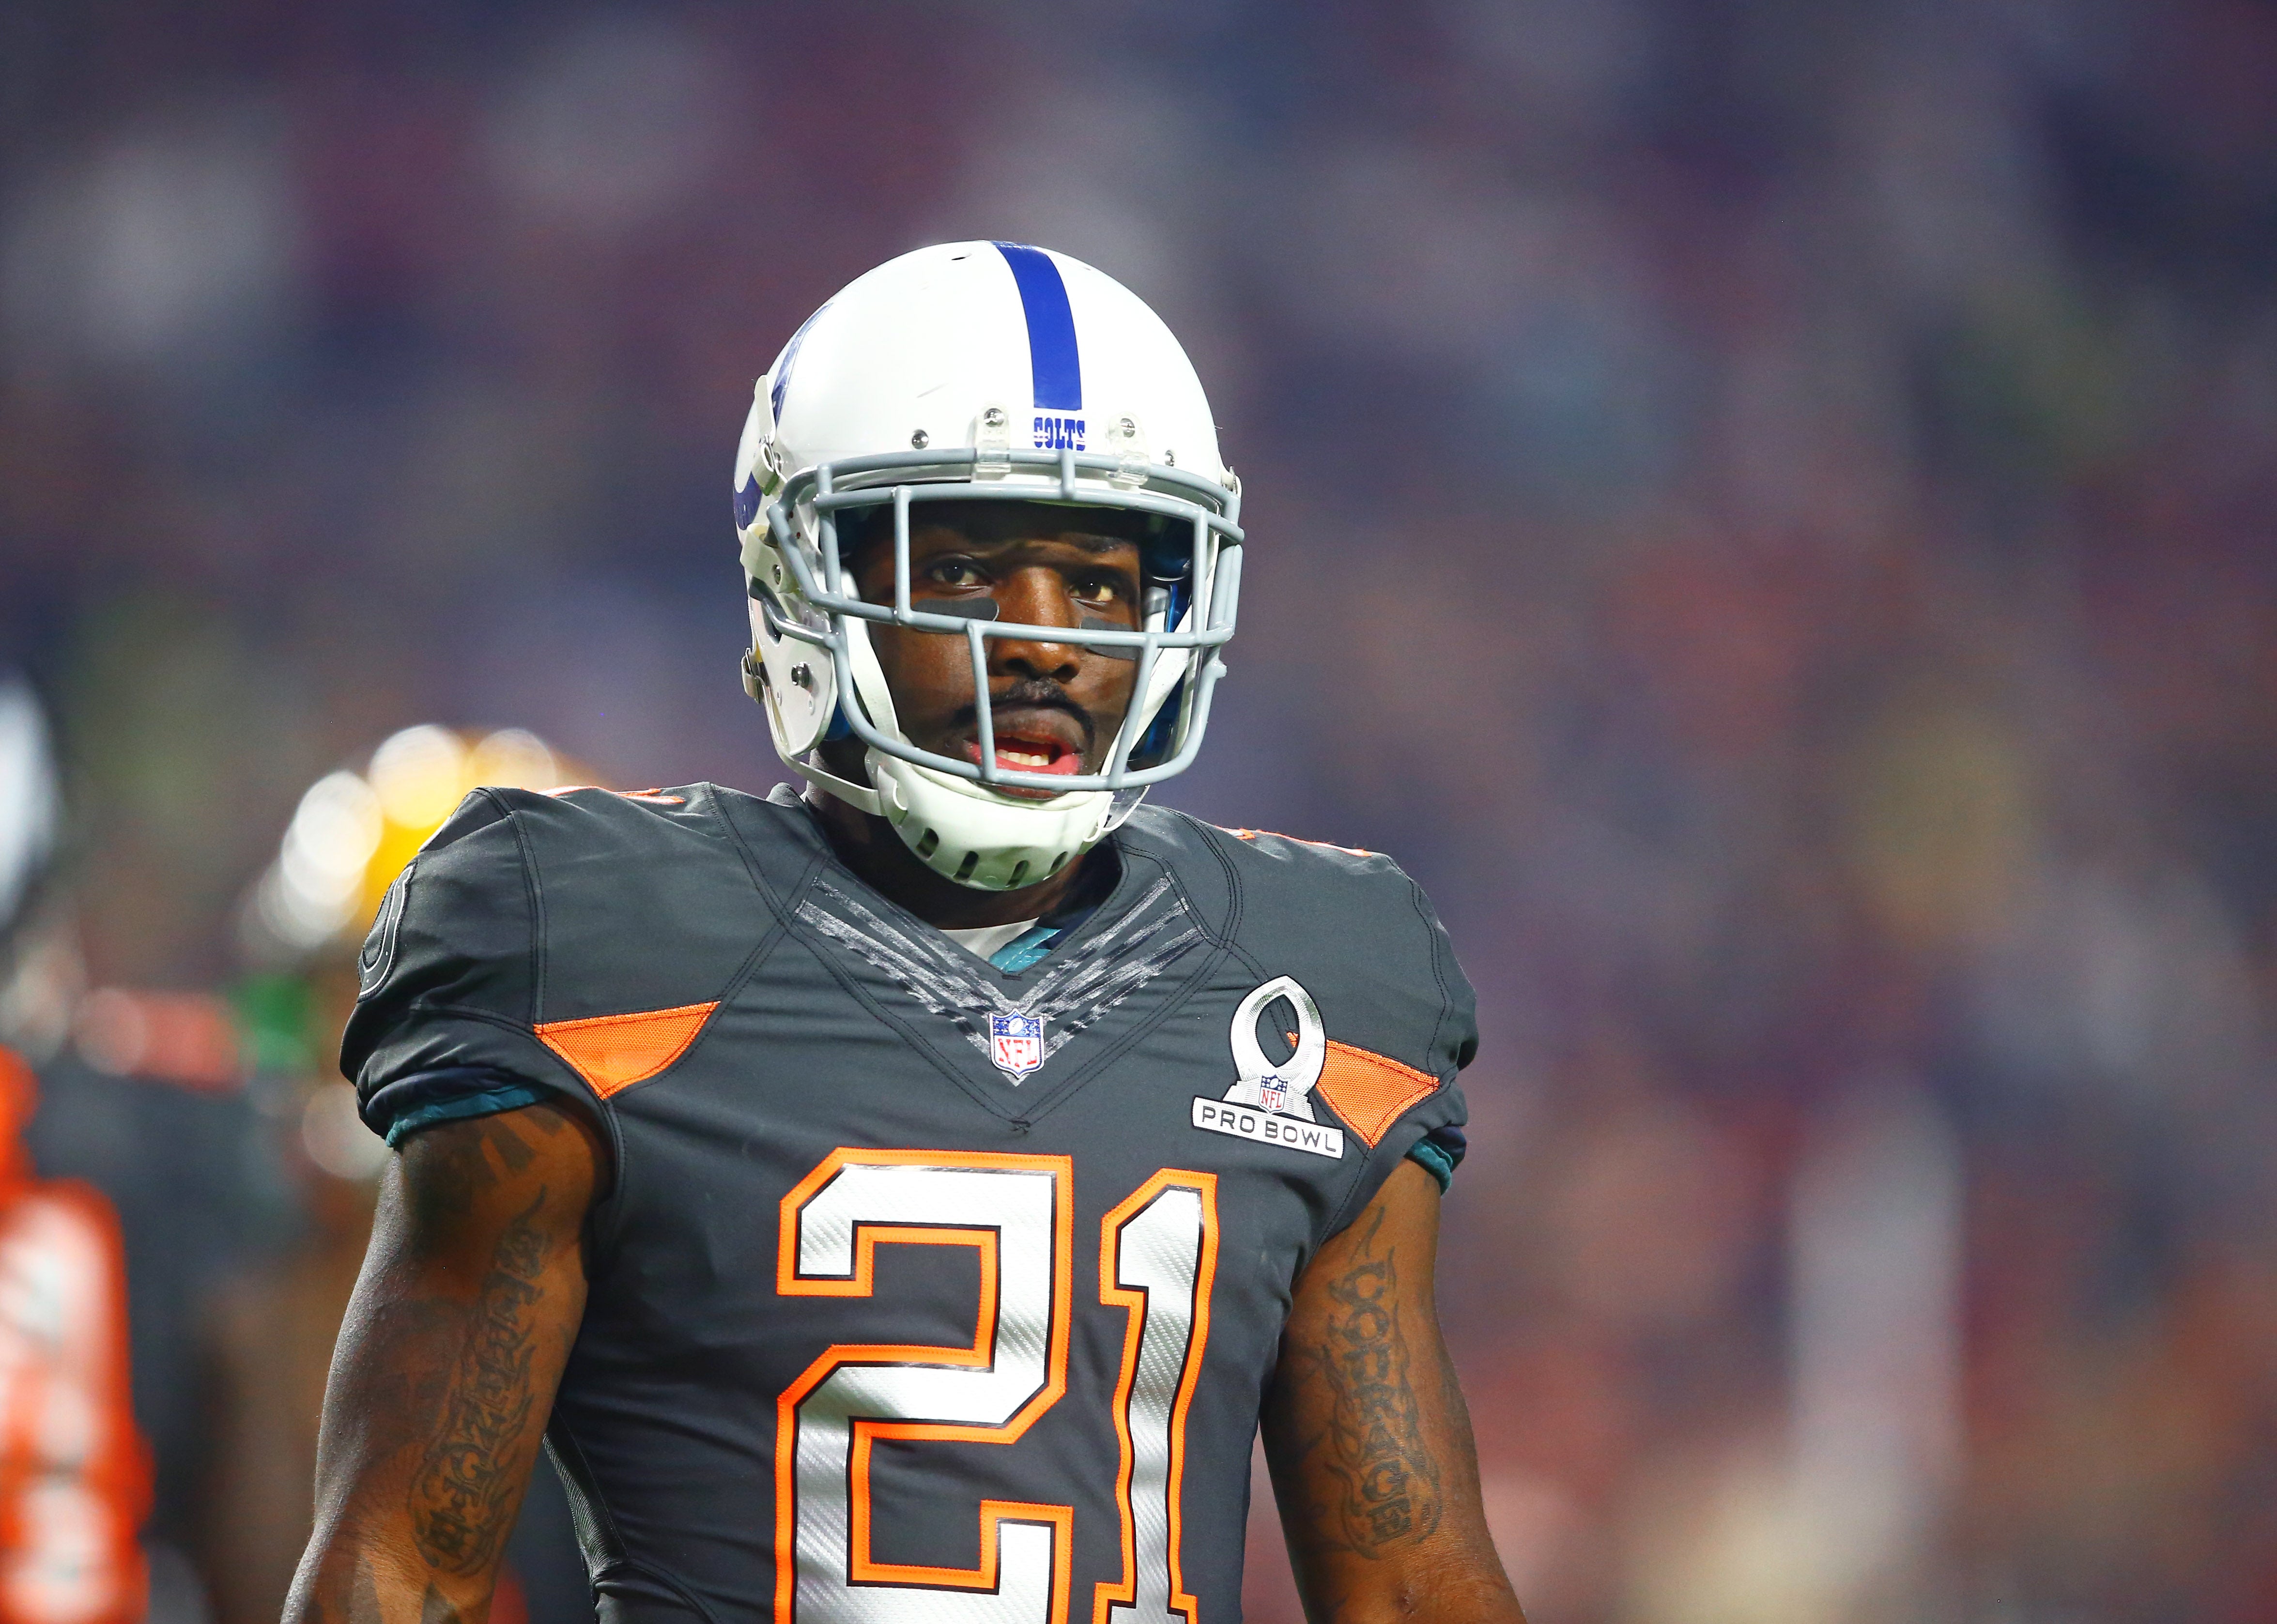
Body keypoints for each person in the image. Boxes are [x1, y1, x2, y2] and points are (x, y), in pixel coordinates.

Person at [288, 243, 1526, 1624]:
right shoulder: (601, 947)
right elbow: (407, 1565)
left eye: (1104, 585)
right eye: (967, 568)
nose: (1048, 640)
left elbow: (1412, 1584)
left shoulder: (1317, 983)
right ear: (801, 581)